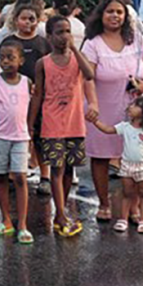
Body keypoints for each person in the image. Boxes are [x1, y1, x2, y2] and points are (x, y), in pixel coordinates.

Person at [81, 0, 143, 221]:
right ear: (101, 15)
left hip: (134, 109)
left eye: (119, 12)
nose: (115, 16)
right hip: (103, 108)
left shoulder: (137, 39)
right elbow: (88, 77)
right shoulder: (92, 43)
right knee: (101, 157)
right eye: (110, 11)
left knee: (134, 158)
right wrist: (93, 103)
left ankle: (133, 206)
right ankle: (104, 204)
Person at [29, 16, 96, 237]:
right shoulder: (43, 63)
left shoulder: (78, 59)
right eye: (59, 32)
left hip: (74, 123)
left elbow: (89, 75)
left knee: (69, 170)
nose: (64, 36)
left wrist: (75, 49)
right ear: (49, 36)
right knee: (56, 170)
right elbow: (38, 94)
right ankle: (60, 213)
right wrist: (30, 123)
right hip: (52, 123)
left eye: (67, 31)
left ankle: (62, 209)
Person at [0, 41, 33, 244]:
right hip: (1, 136)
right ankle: (6, 220)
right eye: (2, 57)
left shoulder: (26, 82)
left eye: (10, 57)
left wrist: (29, 128)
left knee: (20, 177)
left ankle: (23, 224)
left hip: (20, 137)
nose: (5, 61)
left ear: (21, 60)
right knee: (1, 176)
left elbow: (30, 106)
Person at [0, 1, 52, 193]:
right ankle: (10, 175)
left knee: (38, 135)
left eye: (32, 19)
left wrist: (41, 88)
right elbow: (0, 66)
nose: (28, 22)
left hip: (38, 97)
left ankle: (45, 176)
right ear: (16, 20)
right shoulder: (8, 42)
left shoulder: (42, 43)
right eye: (24, 18)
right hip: (12, 97)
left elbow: (49, 68)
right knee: (11, 134)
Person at [91, 96, 143, 233]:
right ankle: (123, 219)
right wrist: (95, 122)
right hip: (127, 165)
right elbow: (108, 129)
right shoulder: (125, 127)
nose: (130, 107)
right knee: (127, 193)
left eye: (135, 105)